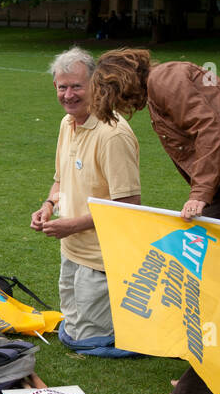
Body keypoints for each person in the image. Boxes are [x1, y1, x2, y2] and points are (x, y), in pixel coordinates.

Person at [89, 48, 220, 394]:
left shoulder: (166, 79)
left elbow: (208, 129)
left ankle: (205, 392)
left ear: (121, 82)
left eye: (114, 97)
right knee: (208, 282)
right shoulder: (165, 82)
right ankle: (216, 376)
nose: (122, 106)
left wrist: (200, 194)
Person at [30, 47, 143, 355]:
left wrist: (73, 225)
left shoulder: (112, 134)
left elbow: (130, 205)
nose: (68, 94)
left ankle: (146, 331)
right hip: (72, 250)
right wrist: (48, 206)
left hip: (102, 258)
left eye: (76, 86)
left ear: (96, 84)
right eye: (62, 86)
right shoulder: (67, 124)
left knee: (83, 341)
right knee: (72, 332)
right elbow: (61, 179)